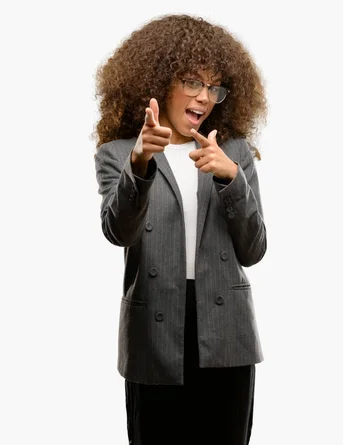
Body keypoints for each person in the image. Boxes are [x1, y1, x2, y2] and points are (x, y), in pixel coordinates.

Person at [92, 14, 268, 445]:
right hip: (154, 332)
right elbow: (118, 231)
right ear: (158, 79)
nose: (204, 97)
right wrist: (138, 166)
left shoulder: (232, 152)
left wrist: (232, 181)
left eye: (213, 86)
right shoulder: (119, 153)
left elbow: (254, 249)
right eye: (192, 82)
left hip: (225, 331)